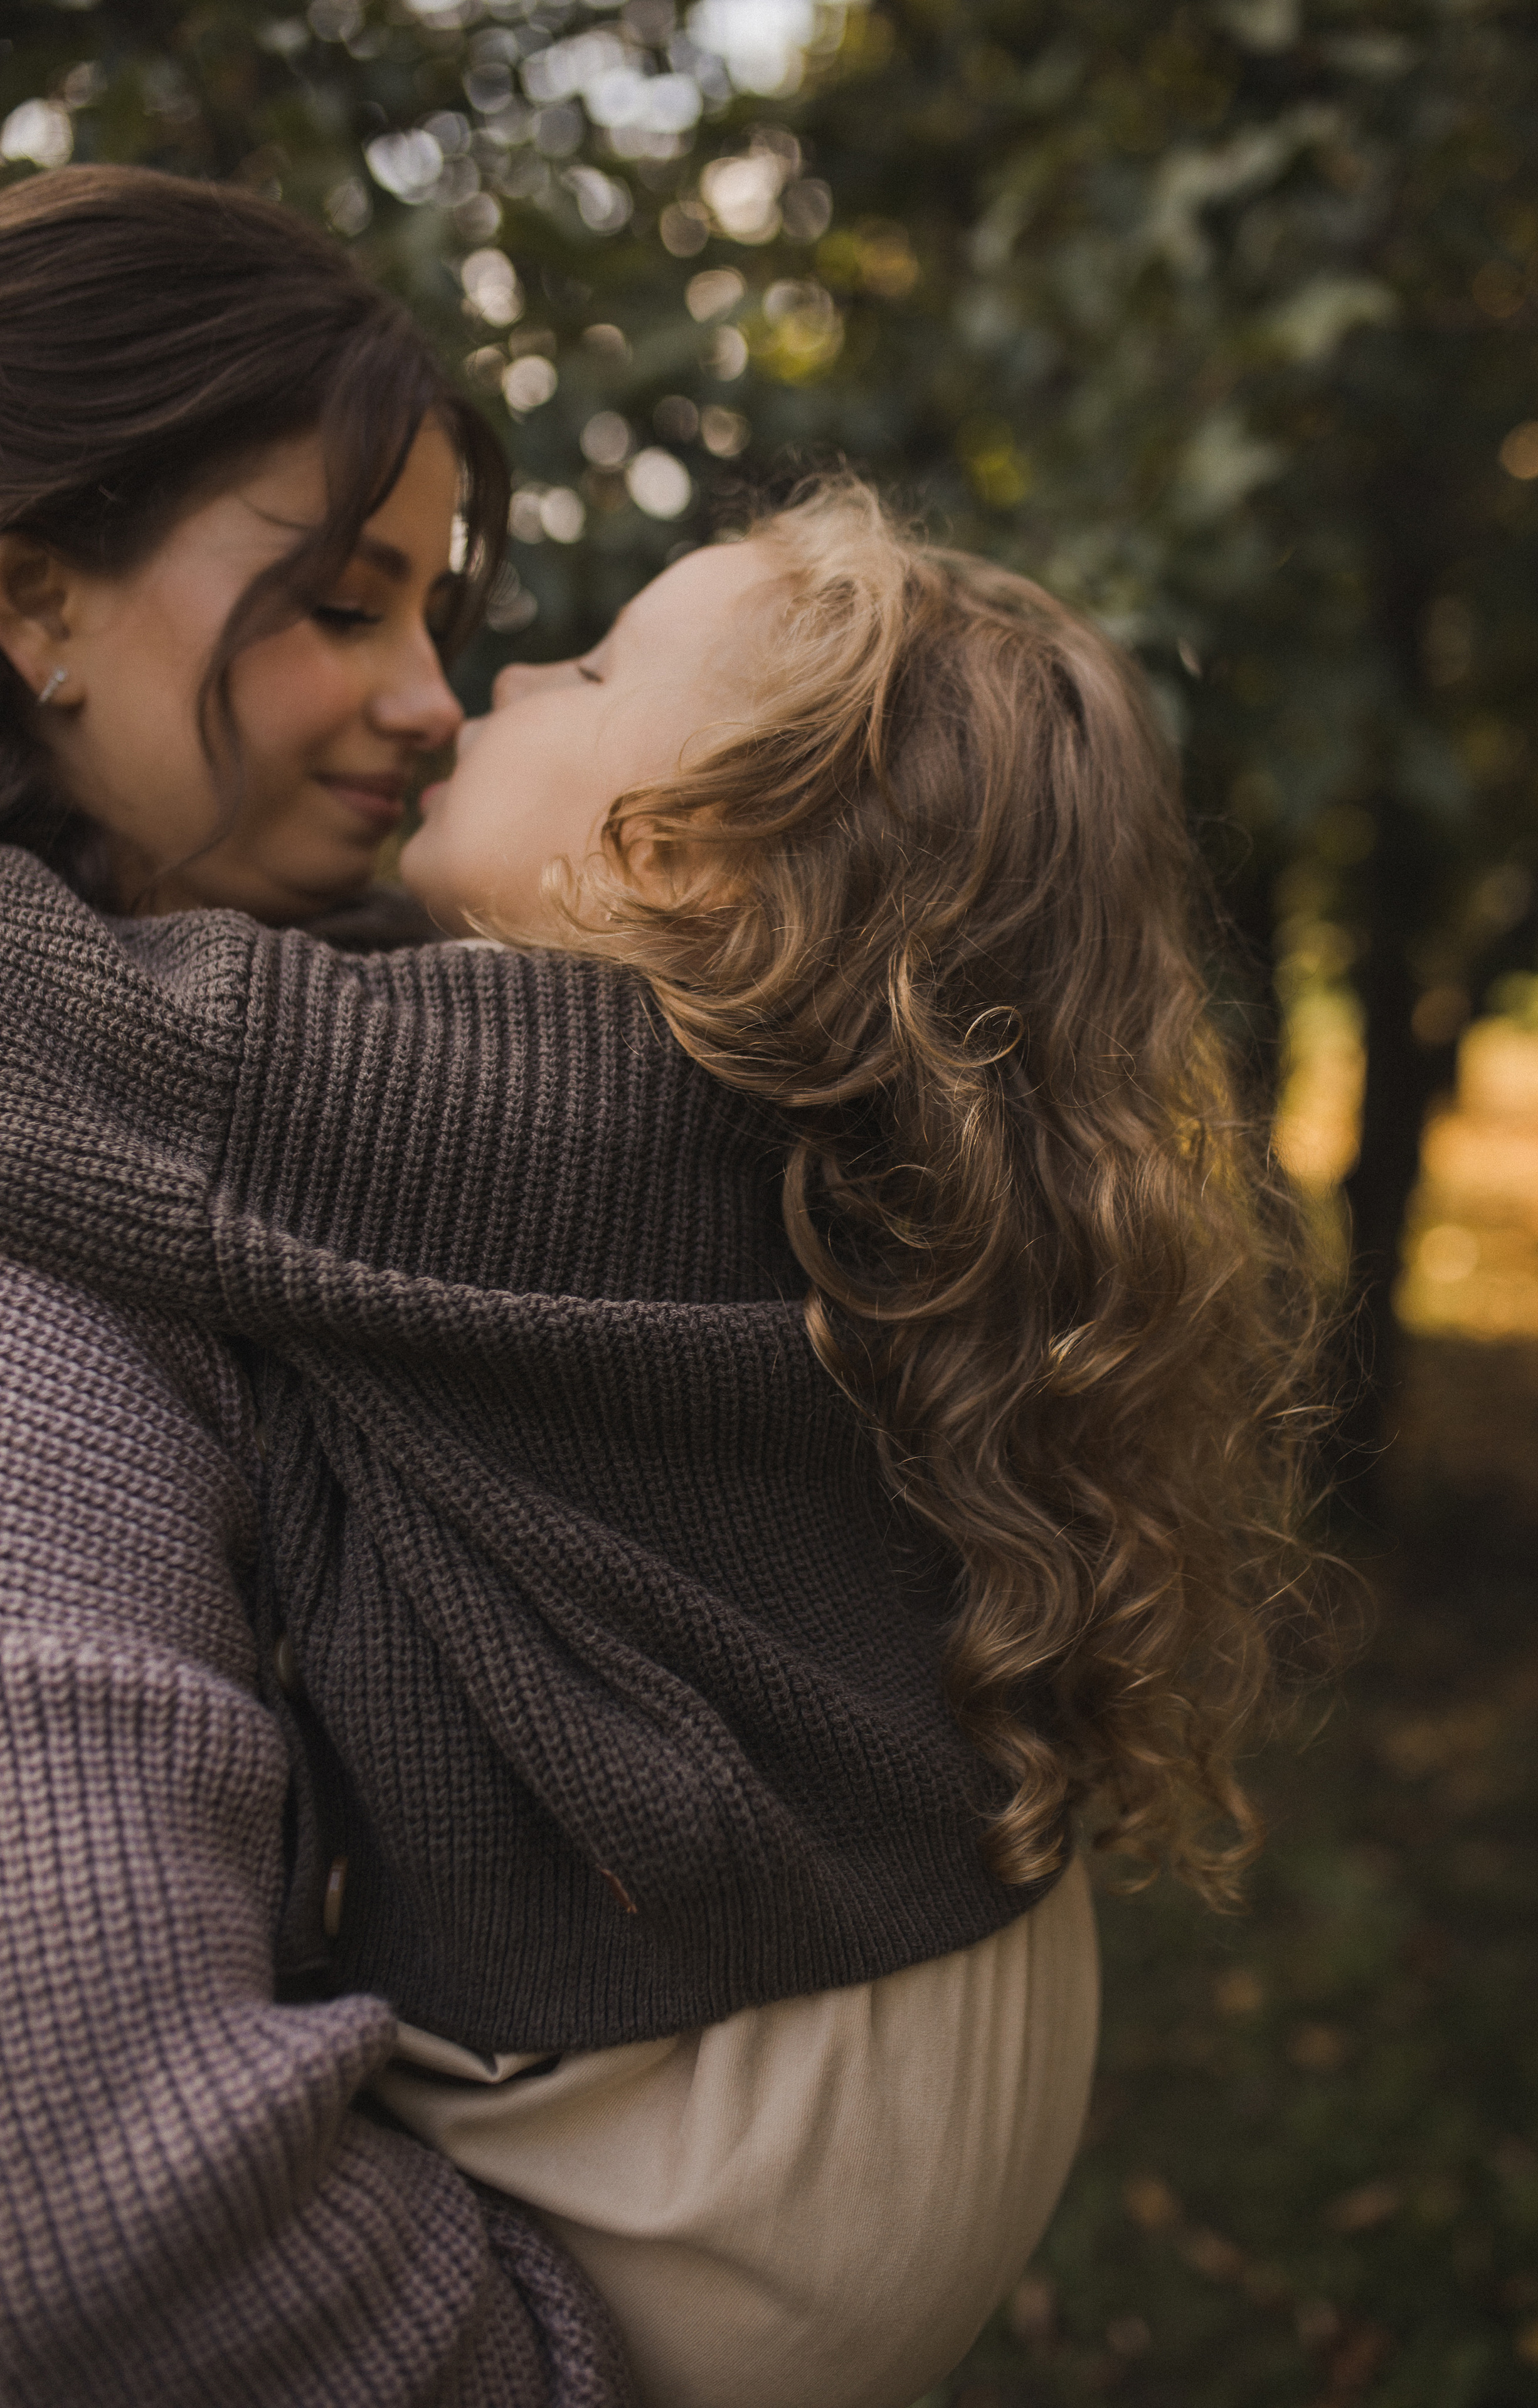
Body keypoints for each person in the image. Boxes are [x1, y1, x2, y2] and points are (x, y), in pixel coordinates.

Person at [0, 455, 1326, 2402]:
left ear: (686, 862)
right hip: (910, 2059)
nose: (504, 677)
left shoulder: (517, 1100)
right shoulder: (813, 1135)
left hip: (693, 2223)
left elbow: (57, 1035)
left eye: (600, 668)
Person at [0, 164, 642, 2406]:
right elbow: (89, 2206)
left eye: (439, 614)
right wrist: (557, 2364)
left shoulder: (253, 1109)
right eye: (341, 605)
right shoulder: (54, 1269)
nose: (437, 702)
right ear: (35, 594)